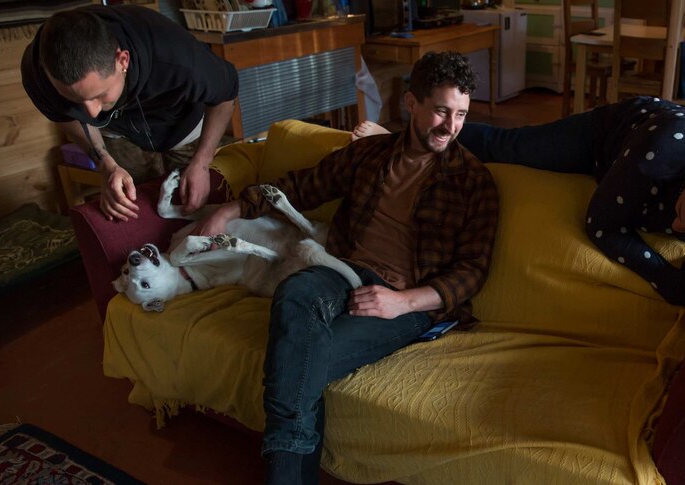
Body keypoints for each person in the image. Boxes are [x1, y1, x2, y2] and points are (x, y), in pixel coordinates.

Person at [194, 51, 499, 484]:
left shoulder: (473, 181)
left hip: (407, 305)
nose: (451, 127)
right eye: (441, 111)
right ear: (411, 103)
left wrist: (400, 302)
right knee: (296, 293)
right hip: (341, 270)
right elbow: (302, 186)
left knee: (297, 359)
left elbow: (472, 271)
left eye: (462, 115)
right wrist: (233, 208)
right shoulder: (370, 155)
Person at [354, 96, 685, 306]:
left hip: (681, 161)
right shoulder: (655, 159)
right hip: (611, 136)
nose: (676, 227)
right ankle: (397, 136)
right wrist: (665, 277)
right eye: (681, 215)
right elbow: (602, 226)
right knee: (509, 146)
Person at [21, 4, 239, 222]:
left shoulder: (175, 55)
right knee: (136, 205)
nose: (91, 112)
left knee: (194, 201)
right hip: (118, 130)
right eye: (76, 100)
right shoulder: (38, 75)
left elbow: (226, 94)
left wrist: (202, 162)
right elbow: (66, 117)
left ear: (122, 60)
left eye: (100, 95)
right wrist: (105, 164)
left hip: (181, 120)